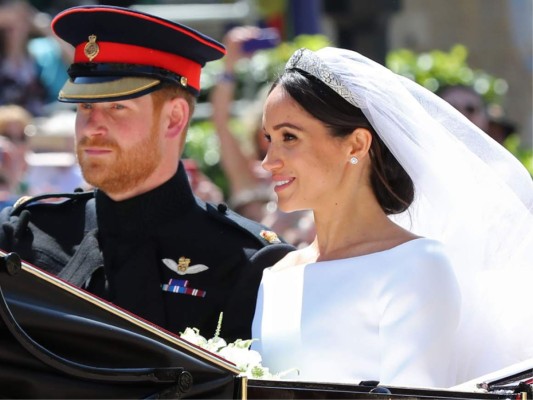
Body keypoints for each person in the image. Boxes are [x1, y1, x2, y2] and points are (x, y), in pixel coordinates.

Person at [0, 5, 294, 343]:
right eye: (85, 106)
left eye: (117, 107)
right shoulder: (24, 233)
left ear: (174, 118)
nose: (92, 126)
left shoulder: (245, 261)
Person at [251, 47, 533, 388]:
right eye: (269, 139)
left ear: (356, 145)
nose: (269, 161)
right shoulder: (276, 275)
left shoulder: (415, 264)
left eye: (289, 137)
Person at [211, 25, 315, 247]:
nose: (275, 140)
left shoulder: (308, 168)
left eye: (287, 133)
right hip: (257, 269)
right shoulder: (247, 172)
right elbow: (220, 119)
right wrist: (229, 65)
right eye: (267, 132)